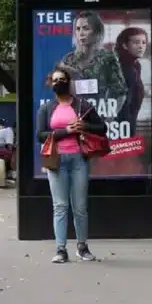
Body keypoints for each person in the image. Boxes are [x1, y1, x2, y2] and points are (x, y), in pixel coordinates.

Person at [36, 66, 107, 263]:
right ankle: (61, 249)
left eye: (62, 80)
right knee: (60, 206)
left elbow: (102, 128)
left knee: (80, 206)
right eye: (55, 80)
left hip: (79, 159)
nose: (59, 83)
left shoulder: (82, 106)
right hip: (56, 160)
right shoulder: (47, 108)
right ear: (51, 84)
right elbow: (40, 135)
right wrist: (66, 131)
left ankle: (82, 247)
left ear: (69, 82)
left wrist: (85, 126)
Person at [57, 11, 127, 104]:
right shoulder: (69, 59)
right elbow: (61, 92)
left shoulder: (108, 58)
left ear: (97, 31)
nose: (81, 33)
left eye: (86, 28)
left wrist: (109, 117)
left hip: (99, 113)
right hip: (74, 115)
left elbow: (120, 93)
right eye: (78, 29)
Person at [114, 27, 148, 136]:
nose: (141, 46)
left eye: (144, 42)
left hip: (130, 121)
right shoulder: (123, 68)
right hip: (121, 125)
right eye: (136, 42)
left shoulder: (136, 66)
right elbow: (122, 102)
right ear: (124, 45)